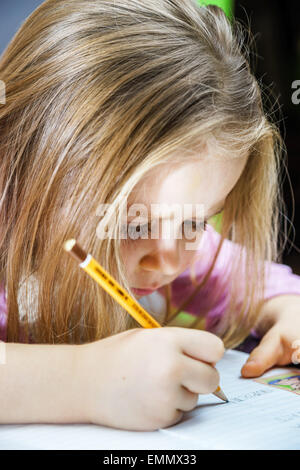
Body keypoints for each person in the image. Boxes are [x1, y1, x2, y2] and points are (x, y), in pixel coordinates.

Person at [0, 0, 299, 431]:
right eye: (135, 225)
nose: (172, 263)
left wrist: (289, 312)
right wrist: (85, 381)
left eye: (196, 223)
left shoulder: (182, 255)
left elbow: (265, 286)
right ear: (17, 166)